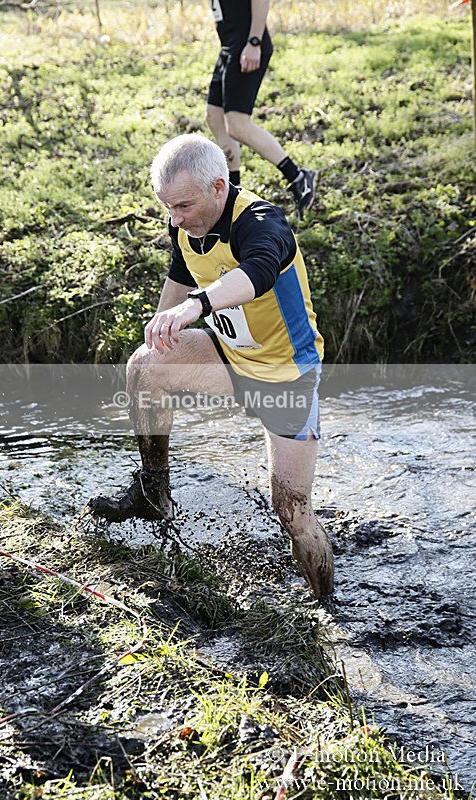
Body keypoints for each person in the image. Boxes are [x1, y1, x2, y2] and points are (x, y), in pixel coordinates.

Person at [87, 134, 333, 600]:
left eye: (182, 205)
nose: (174, 218)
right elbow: (179, 281)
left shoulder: (262, 223)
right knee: (146, 366)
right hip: (229, 357)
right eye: (168, 207)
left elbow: (257, 273)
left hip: (285, 373)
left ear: (218, 187)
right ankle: (154, 491)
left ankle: (329, 610)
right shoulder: (184, 223)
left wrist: (195, 307)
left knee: (292, 511)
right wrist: (164, 325)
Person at [206, 0, 317, 217]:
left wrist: (254, 41)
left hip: (247, 47)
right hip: (229, 47)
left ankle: (298, 177)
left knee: (238, 125)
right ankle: (232, 197)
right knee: (214, 117)